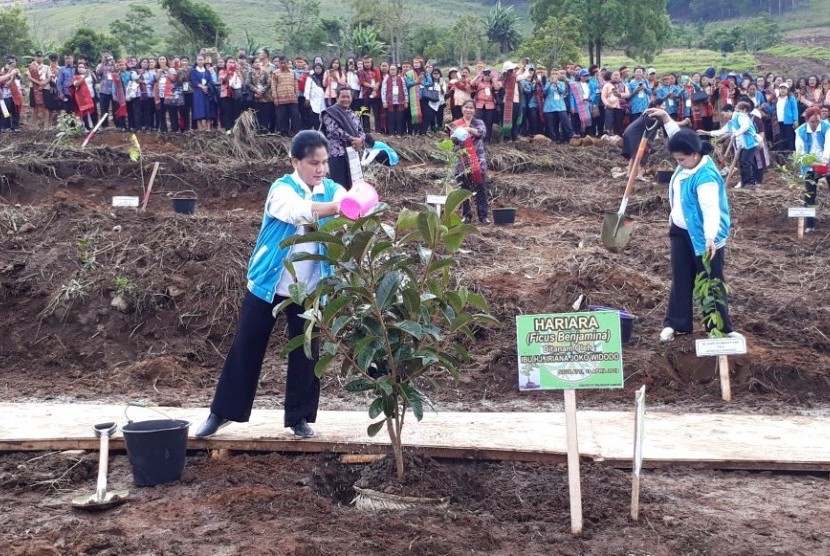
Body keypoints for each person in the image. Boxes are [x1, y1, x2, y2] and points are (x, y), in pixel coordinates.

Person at [196, 130, 347, 439]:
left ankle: (298, 417)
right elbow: (297, 212)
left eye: (324, 163)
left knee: (306, 351)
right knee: (246, 347)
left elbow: (350, 204)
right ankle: (222, 412)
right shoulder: (281, 190)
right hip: (268, 283)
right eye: (313, 162)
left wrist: (355, 204)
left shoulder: (332, 189)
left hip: (309, 288)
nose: (320, 169)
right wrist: (335, 209)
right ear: (295, 162)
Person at [645, 109, 742, 343]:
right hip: (680, 230)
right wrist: (666, 119)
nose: (679, 164)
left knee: (710, 280)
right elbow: (679, 136)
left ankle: (718, 327)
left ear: (695, 154)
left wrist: (710, 238)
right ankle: (677, 324)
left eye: (681, 160)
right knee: (681, 277)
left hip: (704, 237)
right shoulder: (689, 159)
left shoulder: (706, 176)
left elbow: (711, 210)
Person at [700, 101, 762, 189]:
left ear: (729, 111)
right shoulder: (730, 123)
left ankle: (749, 182)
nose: (723, 116)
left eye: (724, 114)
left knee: (745, 162)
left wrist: (736, 134)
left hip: (750, 143)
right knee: (741, 163)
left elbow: (745, 126)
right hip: (741, 146)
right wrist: (706, 132)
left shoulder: (740, 116)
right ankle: (745, 182)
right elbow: (721, 132)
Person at [448, 99, 489, 224]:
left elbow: (481, 133)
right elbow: (453, 140)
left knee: (481, 187)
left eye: (471, 108)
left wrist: (469, 129)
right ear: (462, 109)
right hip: (462, 159)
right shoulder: (455, 123)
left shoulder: (479, 122)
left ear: (474, 110)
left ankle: (483, 216)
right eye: (466, 107)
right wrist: (455, 135)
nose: (469, 110)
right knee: (463, 188)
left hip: (477, 159)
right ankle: (466, 215)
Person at [794, 105, 830, 232]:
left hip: (826, 163)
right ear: (807, 120)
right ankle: (809, 225)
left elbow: (828, 148)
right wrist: (810, 163)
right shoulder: (800, 131)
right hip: (809, 165)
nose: (815, 124)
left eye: (817, 121)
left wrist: (823, 162)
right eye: (812, 122)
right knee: (810, 195)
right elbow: (799, 152)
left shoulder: (827, 128)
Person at [322, 86, 365, 190]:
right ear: (337, 98)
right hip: (337, 154)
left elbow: (361, 131)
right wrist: (352, 139)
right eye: (343, 97)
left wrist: (360, 140)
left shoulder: (353, 114)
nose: (346, 99)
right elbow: (333, 130)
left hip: (352, 154)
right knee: (339, 186)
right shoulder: (330, 113)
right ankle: (338, 206)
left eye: (348, 97)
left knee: (353, 184)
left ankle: (351, 205)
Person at [0, 56, 23, 132]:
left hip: (16, 94)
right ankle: (6, 127)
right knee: (5, 111)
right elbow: (6, 84)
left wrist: (22, 89)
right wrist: (10, 73)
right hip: (5, 95)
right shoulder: (3, 71)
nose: (12, 64)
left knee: (16, 110)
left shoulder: (17, 71)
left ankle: (15, 126)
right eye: (10, 62)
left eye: (14, 62)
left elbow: (20, 81)